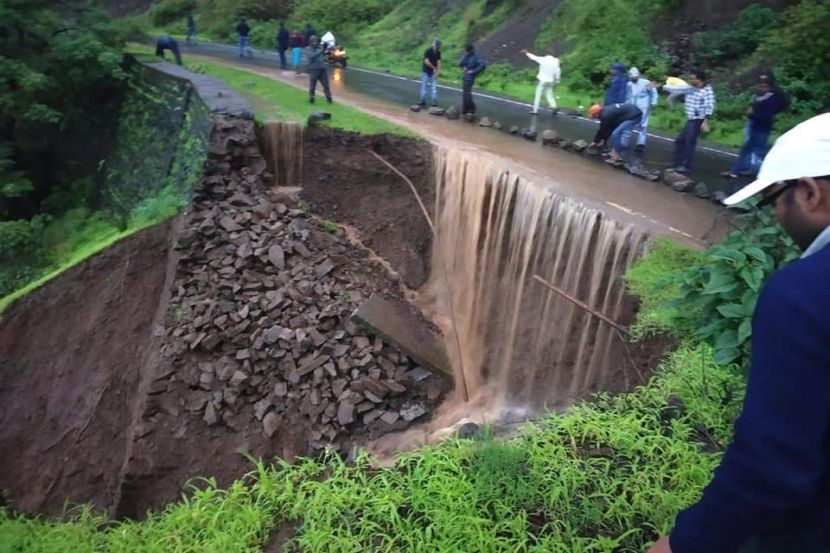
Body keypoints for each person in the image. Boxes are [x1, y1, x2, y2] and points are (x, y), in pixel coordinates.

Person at [647, 112, 830, 553]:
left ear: (808, 192)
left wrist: (684, 544)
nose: (777, 218)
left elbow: (771, 462)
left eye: (773, 201)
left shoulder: (806, 292)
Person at [721, 72, 788, 179]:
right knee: (750, 149)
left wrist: (753, 114)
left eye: (764, 82)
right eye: (760, 82)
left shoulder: (771, 98)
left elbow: (766, 115)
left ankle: (765, 172)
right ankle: (738, 170)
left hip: (761, 127)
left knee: (757, 150)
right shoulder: (762, 96)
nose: (761, 84)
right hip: (756, 126)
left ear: (770, 84)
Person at [672, 70, 715, 174]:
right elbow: (680, 93)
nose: (691, 80)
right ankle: (678, 163)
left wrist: (705, 121)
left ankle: (686, 166)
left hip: (698, 119)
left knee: (689, 142)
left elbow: (710, 106)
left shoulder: (707, 90)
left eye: (693, 78)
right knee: (680, 141)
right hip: (690, 118)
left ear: (699, 79)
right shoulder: (690, 88)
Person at [626, 67, 658, 152]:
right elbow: (627, 96)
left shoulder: (646, 82)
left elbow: (654, 93)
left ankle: (640, 144)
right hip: (632, 107)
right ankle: (625, 142)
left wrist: (654, 102)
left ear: (639, 76)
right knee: (629, 124)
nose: (634, 79)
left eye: (635, 77)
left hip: (644, 107)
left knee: (643, 125)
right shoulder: (629, 84)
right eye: (632, 78)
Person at [520, 48, 561, 115]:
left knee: (538, 95)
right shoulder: (556, 61)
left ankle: (535, 111)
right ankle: (554, 106)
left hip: (542, 80)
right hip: (551, 80)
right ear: (553, 54)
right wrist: (557, 80)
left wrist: (526, 53)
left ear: (546, 53)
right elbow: (558, 71)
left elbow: (534, 57)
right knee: (549, 94)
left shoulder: (543, 59)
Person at [459, 44, 486, 115]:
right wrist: (464, 67)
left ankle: (469, 108)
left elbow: (482, 65)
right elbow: (461, 63)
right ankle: (467, 109)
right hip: (466, 76)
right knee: (466, 93)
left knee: (466, 93)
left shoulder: (475, 56)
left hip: (470, 77)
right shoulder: (468, 56)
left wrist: (474, 71)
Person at [305, 36, 332, 105]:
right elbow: (311, 56)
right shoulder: (308, 48)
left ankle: (329, 98)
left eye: (316, 41)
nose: (315, 43)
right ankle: (312, 98)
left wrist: (326, 47)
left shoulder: (319, 48)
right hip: (314, 69)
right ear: (310, 42)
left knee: (326, 85)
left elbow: (326, 53)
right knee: (313, 85)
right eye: (313, 41)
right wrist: (320, 51)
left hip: (322, 69)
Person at [418, 39, 442, 107]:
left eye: (437, 46)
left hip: (433, 72)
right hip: (426, 71)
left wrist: (437, 72)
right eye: (435, 45)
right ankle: (422, 100)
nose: (436, 47)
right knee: (424, 86)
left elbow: (439, 63)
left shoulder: (438, 53)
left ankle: (434, 101)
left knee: (433, 87)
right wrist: (434, 68)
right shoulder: (428, 51)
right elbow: (426, 61)